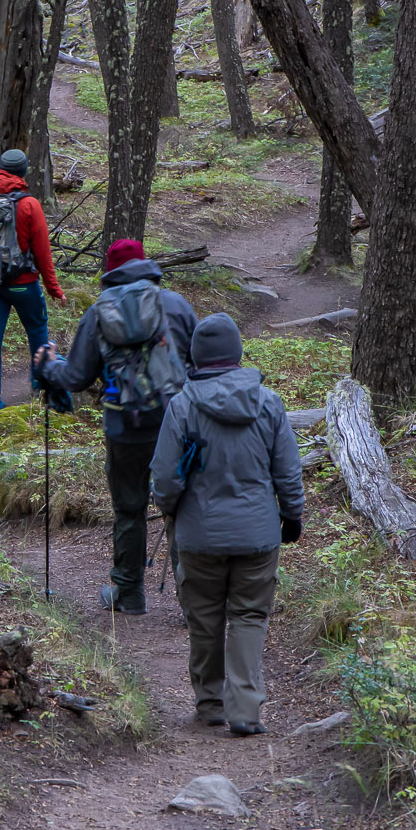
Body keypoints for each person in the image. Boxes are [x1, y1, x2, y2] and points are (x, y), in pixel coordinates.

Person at [150, 313, 304, 736]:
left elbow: (164, 478)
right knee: (250, 616)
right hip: (258, 534)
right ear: (237, 353)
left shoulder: (182, 405)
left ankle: (210, 703)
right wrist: (291, 516)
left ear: (196, 356)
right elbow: (288, 472)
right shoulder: (269, 403)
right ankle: (245, 710)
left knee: (204, 617)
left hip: (199, 535)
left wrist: (169, 509)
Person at [35, 239, 197, 614]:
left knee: (129, 508)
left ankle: (128, 593)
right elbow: (199, 362)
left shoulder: (98, 313)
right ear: (145, 266)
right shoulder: (174, 304)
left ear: (109, 273)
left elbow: (75, 377)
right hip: (177, 421)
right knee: (183, 508)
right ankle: (195, 604)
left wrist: (47, 365)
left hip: (125, 425)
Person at [0, 148, 66, 414]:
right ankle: (41, 387)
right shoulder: (29, 204)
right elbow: (43, 251)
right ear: (23, 172)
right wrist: (53, 288)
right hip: (23, 283)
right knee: (38, 332)